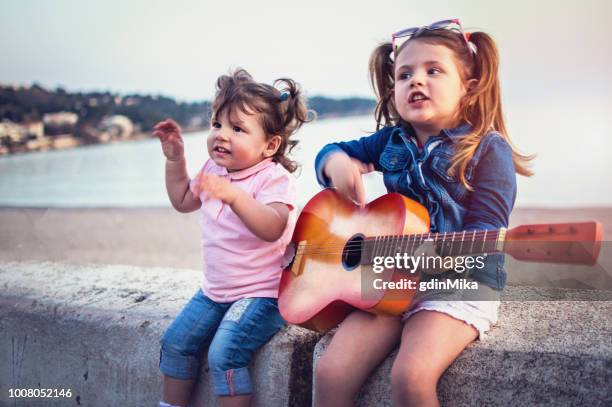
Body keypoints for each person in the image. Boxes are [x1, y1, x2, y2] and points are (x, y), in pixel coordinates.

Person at [313, 19, 532, 406]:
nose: (416, 81)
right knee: (331, 372)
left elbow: (484, 233)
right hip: (392, 281)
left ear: (469, 84)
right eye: (405, 74)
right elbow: (330, 151)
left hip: (458, 285)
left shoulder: (487, 149)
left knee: (411, 377)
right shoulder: (391, 140)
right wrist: (336, 164)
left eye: (434, 70)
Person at [154, 68, 311, 407]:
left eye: (237, 129)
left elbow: (272, 227)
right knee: (176, 342)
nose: (222, 135)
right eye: (217, 125)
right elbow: (183, 201)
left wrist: (235, 197)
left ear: (270, 145)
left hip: (263, 294)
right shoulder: (214, 171)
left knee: (224, 353)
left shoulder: (273, 179)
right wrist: (175, 160)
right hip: (215, 291)